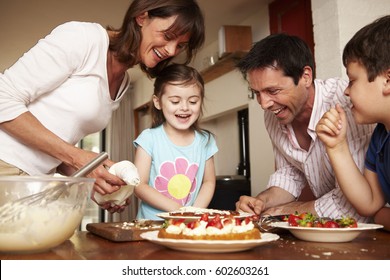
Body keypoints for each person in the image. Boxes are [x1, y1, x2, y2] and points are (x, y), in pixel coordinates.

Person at [0, 0, 205, 213]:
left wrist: (96, 180)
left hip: (36, 183)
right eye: (168, 36)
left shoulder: (123, 82)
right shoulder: (83, 38)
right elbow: (2, 97)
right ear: (142, 17)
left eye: (180, 45)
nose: (172, 50)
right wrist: (78, 157)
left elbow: (55, 145)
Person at [235, 33, 375, 221]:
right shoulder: (273, 114)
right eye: (257, 93)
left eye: (273, 91)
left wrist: (297, 208)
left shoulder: (348, 105)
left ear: (306, 77)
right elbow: (290, 173)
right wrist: (262, 201)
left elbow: (354, 204)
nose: (264, 103)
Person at [316, 16, 390, 230]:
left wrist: (382, 216)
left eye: (352, 80)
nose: (346, 91)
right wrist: (336, 147)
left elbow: (377, 213)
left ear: (387, 80)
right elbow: (369, 204)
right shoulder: (381, 135)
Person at [133, 64, 218, 220]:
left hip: (188, 224)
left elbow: (209, 182)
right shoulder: (149, 138)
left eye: (193, 102)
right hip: (151, 224)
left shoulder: (206, 140)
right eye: (175, 101)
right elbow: (139, 186)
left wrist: (193, 213)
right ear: (158, 102)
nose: (184, 108)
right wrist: (178, 210)